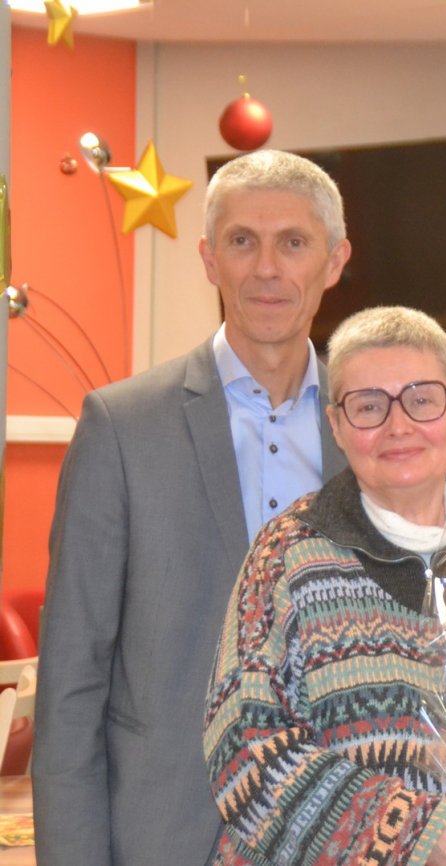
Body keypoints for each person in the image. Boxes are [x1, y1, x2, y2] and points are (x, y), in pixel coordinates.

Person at [33, 149, 351, 866]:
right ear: (210, 259)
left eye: (293, 242)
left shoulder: (367, 429)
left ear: (334, 261)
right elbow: (72, 681)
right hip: (166, 835)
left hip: (339, 835)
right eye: (242, 241)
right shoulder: (121, 426)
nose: (266, 268)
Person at [204, 306, 446, 865]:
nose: (398, 426)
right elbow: (243, 751)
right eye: (369, 406)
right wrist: (419, 835)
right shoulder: (288, 555)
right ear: (336, 425)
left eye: (421, 399)